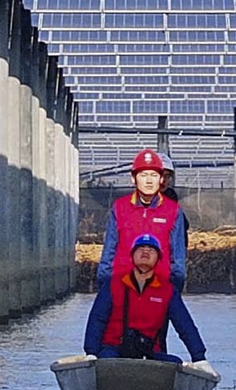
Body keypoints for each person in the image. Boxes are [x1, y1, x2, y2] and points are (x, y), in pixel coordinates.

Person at [85, 234, 208, 366]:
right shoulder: (112, 284)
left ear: (158, 258)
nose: (145, 252)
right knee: (107, 360)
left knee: (175, 363)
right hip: (113, 350)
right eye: (140, 249)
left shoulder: (167, 290)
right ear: (132, 256)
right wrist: (91, 352)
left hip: (149, 352)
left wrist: (199, 358)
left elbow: (185, 325)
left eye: (151, 250)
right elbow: (97, 320)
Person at [97, 148, 188, 291]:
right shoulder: (120, 208)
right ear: (133, 178)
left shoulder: (173, 211)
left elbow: (178, 260)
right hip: (122, 288)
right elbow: (108, 253)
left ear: (161, 178)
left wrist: (172, 294)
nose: (149, 181)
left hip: (159, 289)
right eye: (144, 175)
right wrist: (105, 291)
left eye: (154, 175)